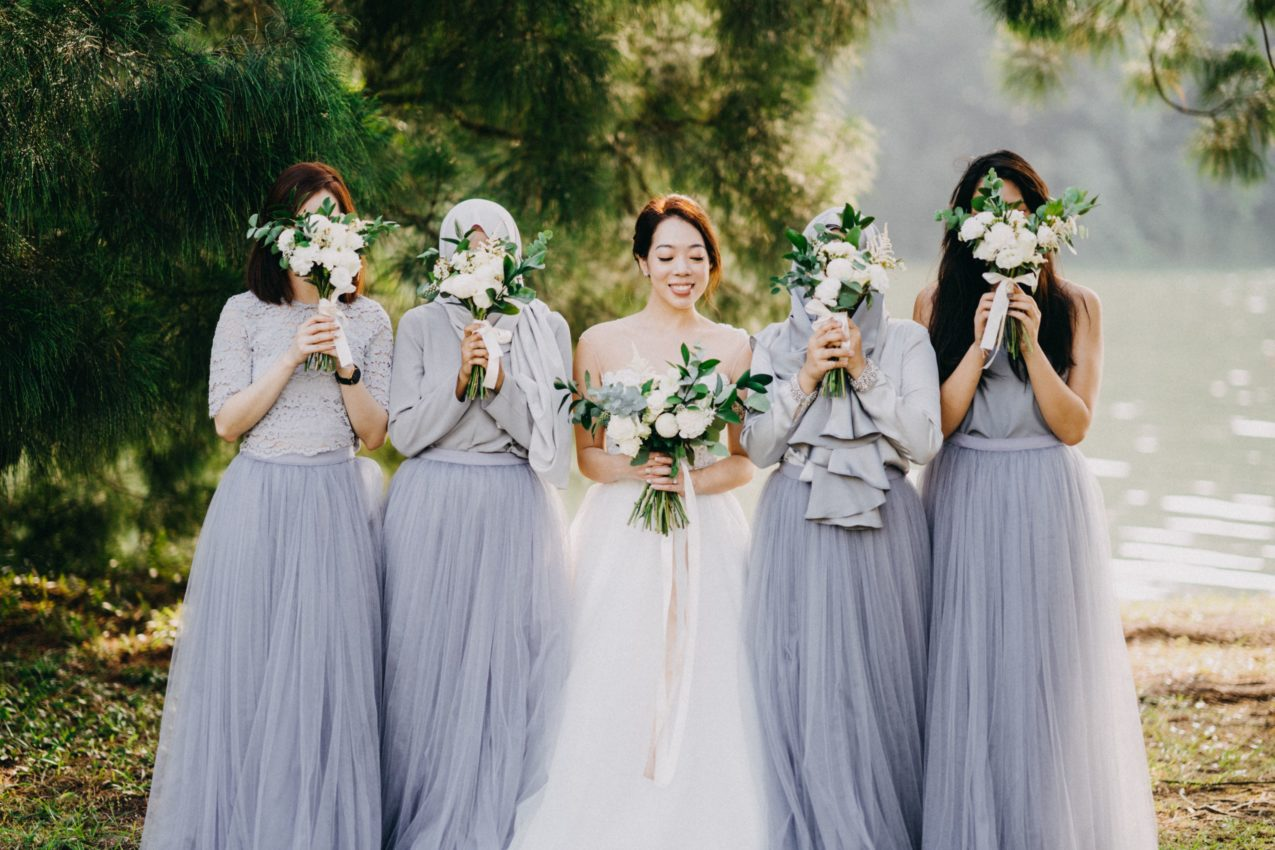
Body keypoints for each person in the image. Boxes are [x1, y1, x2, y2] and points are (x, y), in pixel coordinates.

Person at [141, 161, 391, 850]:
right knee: (249, 667)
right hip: (258, 500)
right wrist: (288, 357)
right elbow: (227, 423)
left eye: (334, 216)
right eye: (308, 217)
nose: (323, 230)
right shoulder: (242, 313)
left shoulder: (368, 318)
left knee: (326, 675)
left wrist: (342, 358)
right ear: (278, 231)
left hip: (334, 500)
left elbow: (373, 433)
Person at [915, 150, 1157, 850]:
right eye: (989, 210)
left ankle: (1049, 824)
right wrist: (979, 340)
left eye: (1017, 209)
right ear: (965, 224)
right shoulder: (935, 305)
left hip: (1048, 490)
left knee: (1049, 663)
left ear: (1042, 222)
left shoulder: (1078, 306)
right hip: (965, 484)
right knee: (968, 658)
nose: (1004, 221)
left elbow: (1075, 424)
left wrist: (1028, 338)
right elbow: (938, 423)